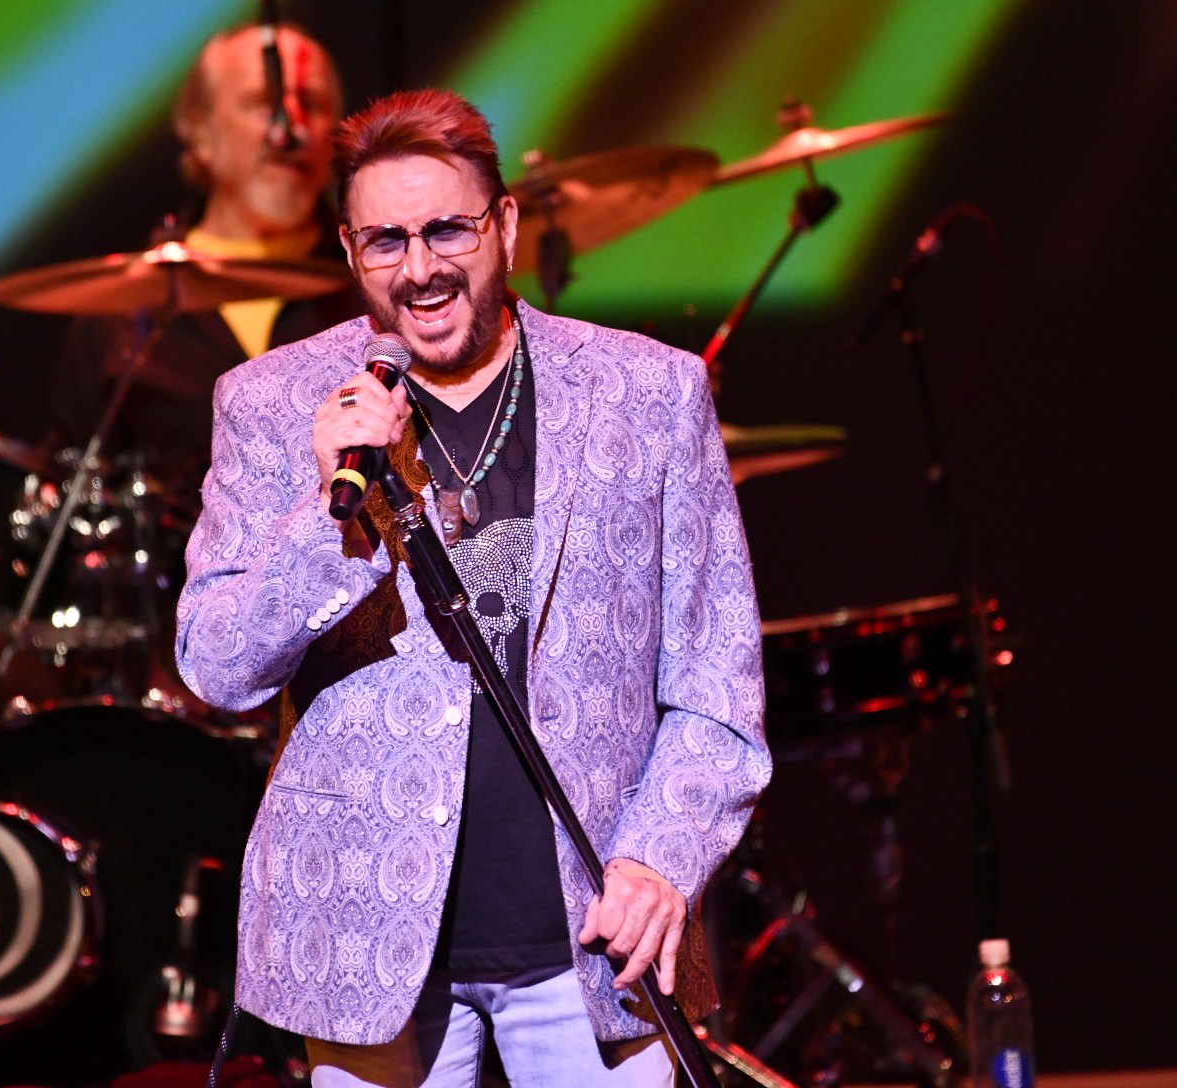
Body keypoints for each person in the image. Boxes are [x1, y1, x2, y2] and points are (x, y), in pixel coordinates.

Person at [176, 89, 771, 1086]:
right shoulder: (271, 403)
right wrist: (331, 521)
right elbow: (214, 664)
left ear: (502, 224)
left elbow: (720, 683)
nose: (419, 268)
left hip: (594, 938)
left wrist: (663, 857)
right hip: (371, 951)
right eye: (384, 240)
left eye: (446, 228)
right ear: (347, 246)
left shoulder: (649, 394)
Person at [50, 21, 363, 502]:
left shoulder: (378, 290)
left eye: (313, 105)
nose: (290, 128)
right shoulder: (120, 315)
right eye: (264, 103)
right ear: (201, 131)